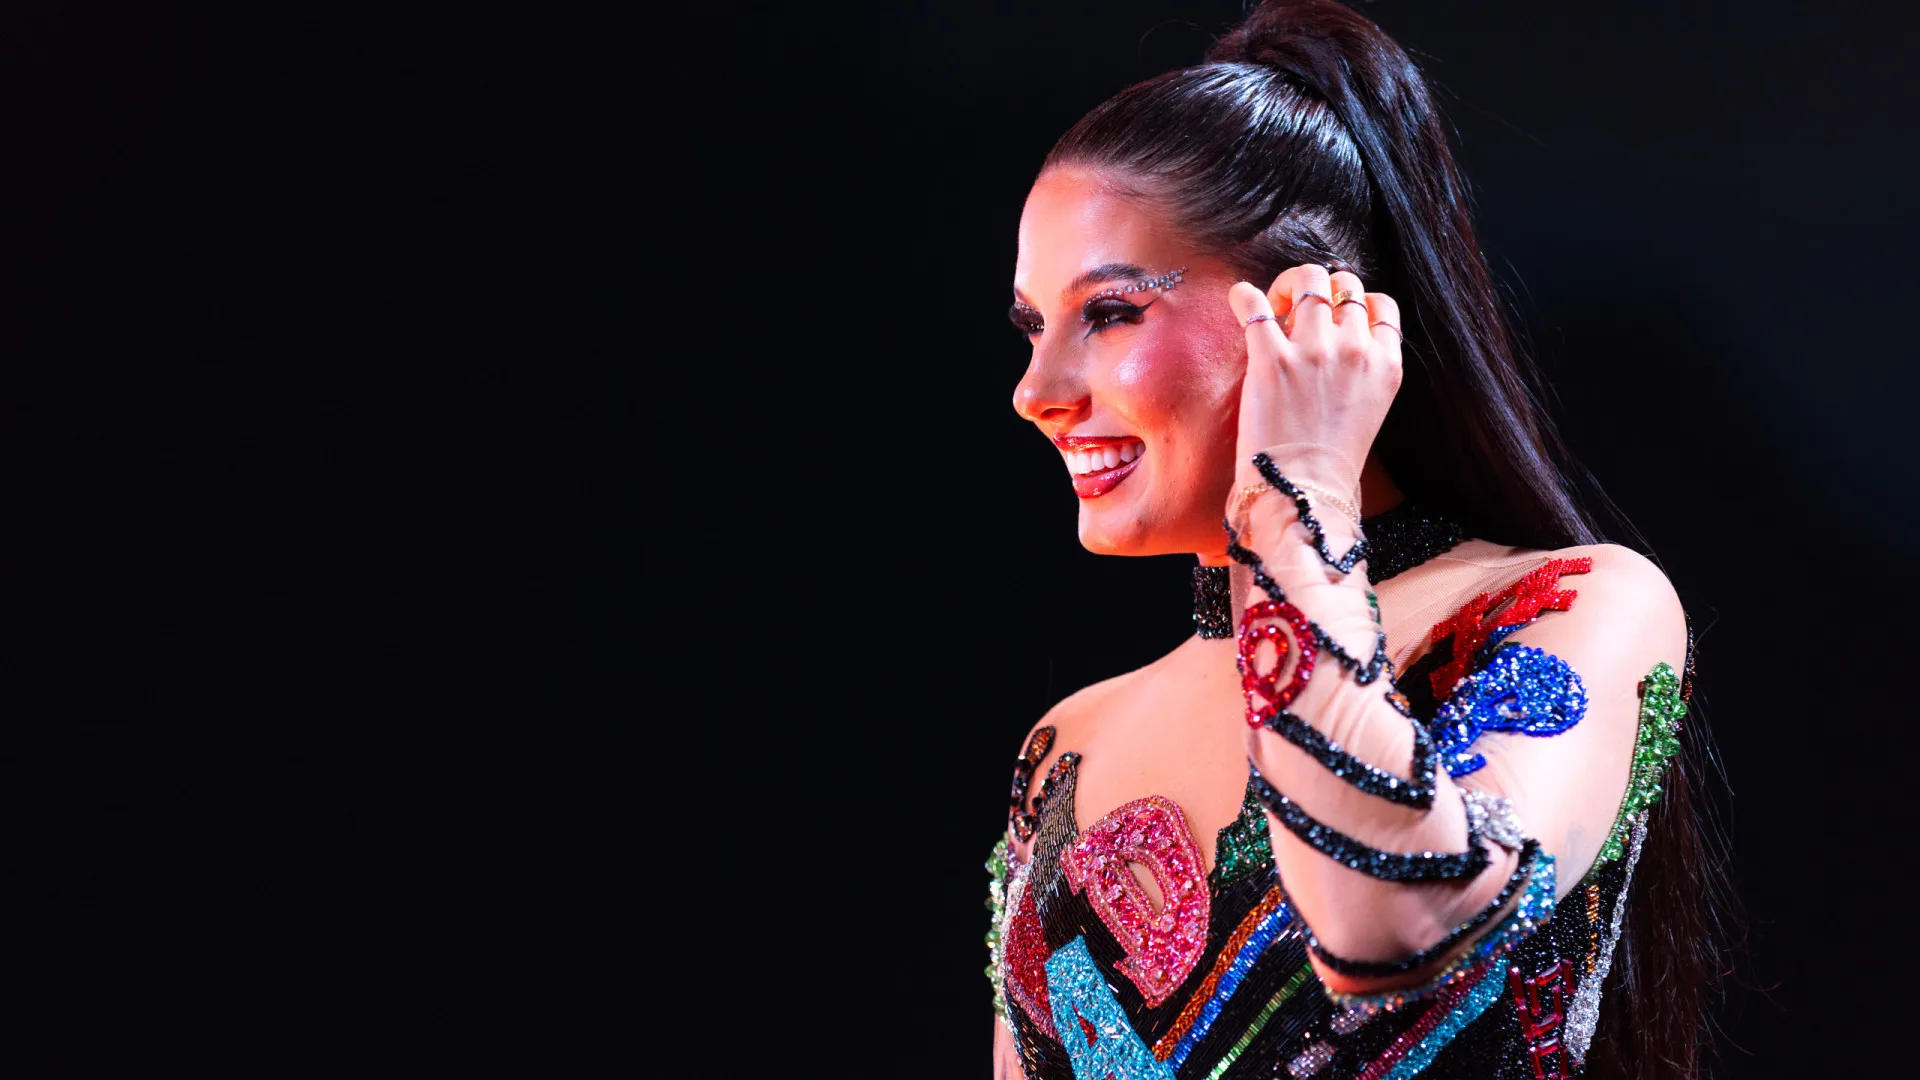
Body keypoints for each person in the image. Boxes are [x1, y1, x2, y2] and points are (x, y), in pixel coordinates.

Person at [983, 3, 1733, 1077]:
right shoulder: (1069, 745)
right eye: (1032, 328)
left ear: (1307, 314)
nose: (1037, 391)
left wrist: (1297, 493)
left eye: (1109, 313)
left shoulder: (1577, 608)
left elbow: (1388, 921)